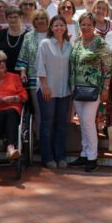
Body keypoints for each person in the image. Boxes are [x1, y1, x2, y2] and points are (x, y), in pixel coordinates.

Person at [68, 12, 112, 172]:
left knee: (87, 121)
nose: (86, 27)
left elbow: (107, 68)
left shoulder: (100, 43)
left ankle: (92, 158)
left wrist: (106, 88)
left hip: (94, 90)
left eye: (89, 24)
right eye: (83, 24)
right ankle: (84, 153)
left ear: (94, 26)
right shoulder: (78, 42)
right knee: (83, 123)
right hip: (77, 89)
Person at [37, 15, 73, 169]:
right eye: (56, 25)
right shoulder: (45, 43)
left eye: (61, 25)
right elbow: (40, 66)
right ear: (51, 28)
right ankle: (47, 157)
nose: (59, 28)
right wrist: (45, 86)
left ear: (65, 27)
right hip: (48, 90)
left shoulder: (69, 45)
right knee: (47, 124)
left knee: (61, 125)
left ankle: (60, 156)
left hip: (64, 91)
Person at [16, 9, 50, 125]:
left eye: (42, 18)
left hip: (52, 78)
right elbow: (23, 55)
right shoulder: (28, 36)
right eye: (37, 19)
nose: (40, 21)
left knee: (50, 110)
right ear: (33, 21)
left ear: (47, 20)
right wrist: (23, 72)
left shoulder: (53, 35)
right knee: (38, 109)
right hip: (33, 78)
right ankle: (41, 139)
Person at [0, 5, 29, 73]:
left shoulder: (28, 35)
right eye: (10, 17)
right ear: (6, 19)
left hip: (23, 74)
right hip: (3, 73)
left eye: (15, 17)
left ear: (21, 17)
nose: (13, 20)